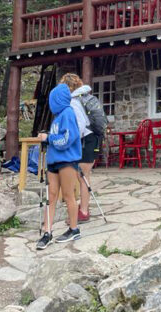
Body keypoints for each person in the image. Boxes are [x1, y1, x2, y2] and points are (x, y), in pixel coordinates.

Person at [37, 83, 82, 250]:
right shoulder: (56, 117)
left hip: (67, 161)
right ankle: (47, 232)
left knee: (68, 195)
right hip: (53, 162)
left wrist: (48, 138)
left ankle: (74, 228)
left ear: (57, 99)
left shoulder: (68, 113)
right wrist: (48, 137)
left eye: (52, 100)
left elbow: (67, 139)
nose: (51, 103)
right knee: (52, 196)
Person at [60, 73, 100, 223]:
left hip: (86, 140)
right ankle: (84, 208)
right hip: (92, 139)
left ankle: (83, 211)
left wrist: (68, 139)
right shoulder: (83, 98)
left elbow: (80, 126)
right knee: (83, 176)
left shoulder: (74, 102)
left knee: (82, 176)